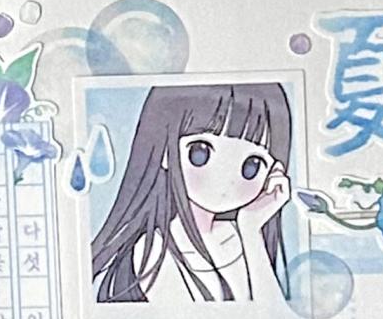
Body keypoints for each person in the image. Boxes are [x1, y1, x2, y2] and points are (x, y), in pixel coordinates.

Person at [90, 82, 293, 304]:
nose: (226, 180)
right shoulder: (156, 250)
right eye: (200, 153)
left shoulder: (241, 235)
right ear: (166, 151)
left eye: (252, 164)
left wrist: (251, 230)